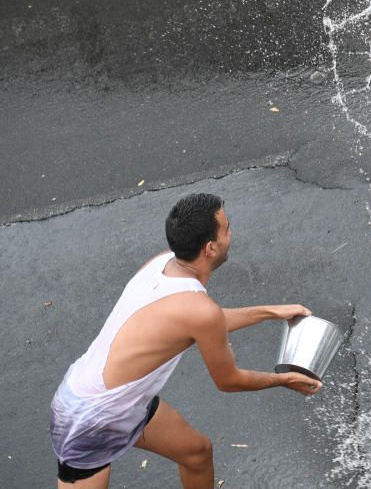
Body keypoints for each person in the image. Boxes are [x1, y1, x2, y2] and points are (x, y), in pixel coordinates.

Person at [50, 193, 322, 488]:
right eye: (227, 228)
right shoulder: (199, 311)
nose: (231, 233)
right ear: (210, 248)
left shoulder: (163, 263)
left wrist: (272, 312)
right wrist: (284, 380)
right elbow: (229, 380)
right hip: (91, 417)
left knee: (197, 453)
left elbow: (204, 323)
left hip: (115, 400)